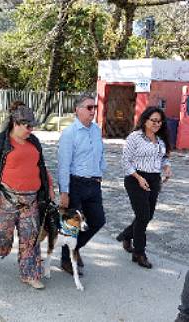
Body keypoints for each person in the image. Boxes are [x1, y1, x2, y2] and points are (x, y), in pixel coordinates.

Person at [0, 104, 54, 289]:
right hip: (6, 199)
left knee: (31, 237)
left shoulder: (34, 142)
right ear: (15, 123)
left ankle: (30, 274)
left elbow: (41, 167)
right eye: (28, 126)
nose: (31, 130)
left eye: (32, 126)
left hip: (31, 200)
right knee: (1, 238)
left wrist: (50, 187)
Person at [57, 94, 106, 275]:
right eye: (89, 107)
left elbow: (101, 154)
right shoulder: (70, 133)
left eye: (95, 107)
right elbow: (63, 164)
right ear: (77, 110)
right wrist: (64, 191)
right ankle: (66, 260)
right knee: (72, 225)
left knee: (98, 220)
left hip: (93, 184)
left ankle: (75, 248)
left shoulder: (96, 130)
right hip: (75, 183)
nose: (93, 111)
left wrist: (101, 171)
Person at [118, 106, 172, 269]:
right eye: (153, 120)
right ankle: (139, 253)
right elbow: (125, 161)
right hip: (135, 178)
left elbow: (163, 158)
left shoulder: (160, 140)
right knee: (142, 216)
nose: (157, 124)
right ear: (145, 120)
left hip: (154, 179)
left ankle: (126, 235)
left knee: (148, 215)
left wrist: (167, 167)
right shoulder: (135, 137)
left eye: (159, 121)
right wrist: (138, 178)